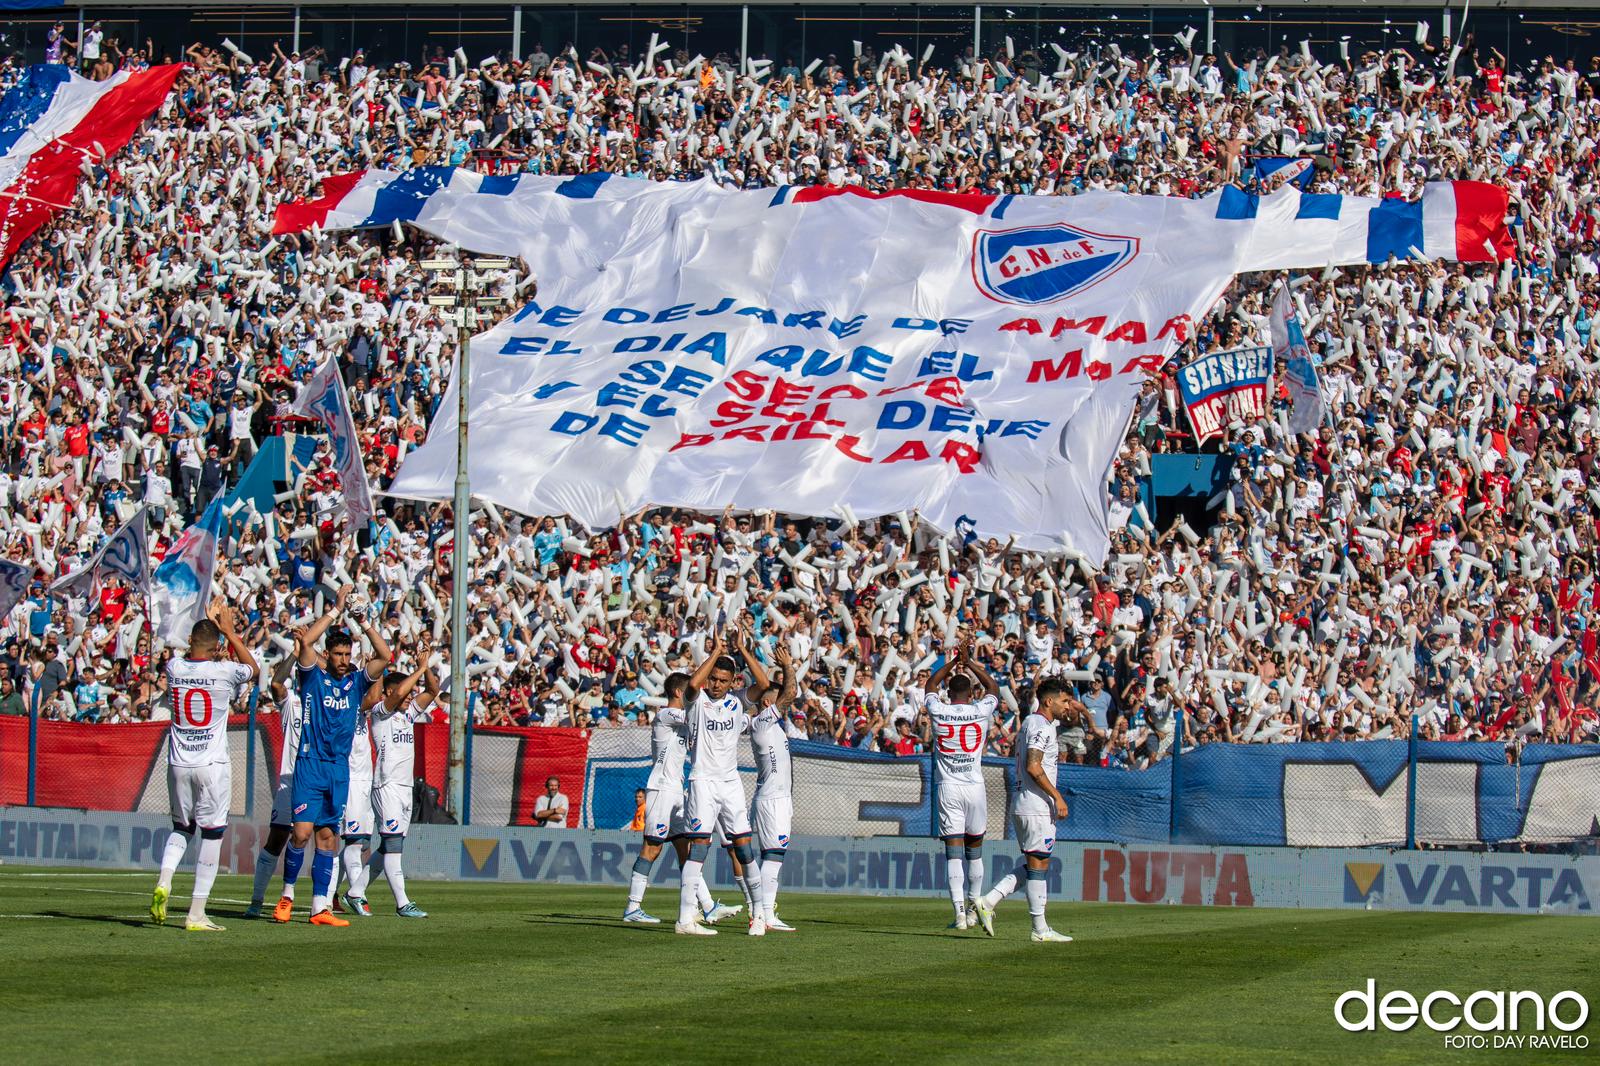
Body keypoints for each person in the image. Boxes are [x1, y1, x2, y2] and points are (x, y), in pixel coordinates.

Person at [273, 584, 390, 926]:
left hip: (338, 769)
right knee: (301, 834)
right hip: (309, 765)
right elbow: (306, 644)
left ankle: (319, 908)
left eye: (346, 655)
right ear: (329, 655)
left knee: (328, 837)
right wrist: (336, 610)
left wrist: (363, 621)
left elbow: (384, 657)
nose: (342, 661)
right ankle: (287, 895)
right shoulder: (313, 679)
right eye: (337, 655)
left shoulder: (355, 683)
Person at [149, 602, 259, 931]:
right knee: (212, 835)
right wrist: (229, 629)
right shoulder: (224, 670)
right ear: (217, 647)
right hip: (211, 763)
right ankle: (196, 912)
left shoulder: (174, 668)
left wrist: (212, 631)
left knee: (182, 828)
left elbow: (195, 651)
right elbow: (253, 669)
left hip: (178, 762)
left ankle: (164, 880)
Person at [621, 670, 742, 927]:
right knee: (652, 847)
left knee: (686, 851)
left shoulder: (683, 718)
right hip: (661, 789)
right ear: (679, 692)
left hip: (677, 791)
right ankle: (633, 906)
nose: (694, 694)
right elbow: (697, 714)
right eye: (690, 690)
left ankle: (708, 907)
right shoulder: (666, 715)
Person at [676, 625, 769, 937]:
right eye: (713, 679)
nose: (715, 684)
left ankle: (759, 914)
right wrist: (715, 651)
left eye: (722, 681)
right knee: (699, 846)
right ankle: (685, 919)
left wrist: (741, 649)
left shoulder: (737, 702)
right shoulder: (697, 701)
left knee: (743, 848)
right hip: (702, 781)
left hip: (730, 784)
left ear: (733, 683)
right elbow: (692, 684)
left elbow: (765, 684)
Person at [973, 678, 1075, 943]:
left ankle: (989, 901)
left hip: (1025, 802)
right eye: (1064, 701)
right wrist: (1058, 797)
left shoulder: (1032, 722)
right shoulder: (1042, 726)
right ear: (1049, 701)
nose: (1067, 706)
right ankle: (1039, 930)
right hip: (1036, 804)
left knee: (1035, 864)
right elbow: (1033, 765)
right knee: (1038, 866)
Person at [923, 635, 999, 931]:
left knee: (953, 852)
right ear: (971, 693)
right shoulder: (980, 710)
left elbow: (930, 685)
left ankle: (958, 914)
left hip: (948, 786)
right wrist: (970, 663)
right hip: (974, 786)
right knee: (975, 849)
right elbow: (993, 688)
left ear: (949, 693)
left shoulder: (938, 711)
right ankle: (973, 906)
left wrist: (953, 662)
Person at [361, 634, 440, 918]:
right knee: (393, 845)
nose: (409, 698)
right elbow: (395, 696)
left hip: (405, 787)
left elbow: (432, 690)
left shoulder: (407, 715)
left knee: (390, 845)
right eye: (405, 694)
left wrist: (425, 666)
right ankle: (402, 902)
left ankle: (356, 891)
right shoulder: (380, 713)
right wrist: (417, 670)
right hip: (387, 785)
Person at [245, 656, 304, 918]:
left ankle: (318, 903)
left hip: (318, 780)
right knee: (276, 840)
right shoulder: (293, 703)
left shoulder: (329, 704)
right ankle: (256, 900)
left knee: (325, 839)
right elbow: (277, 684)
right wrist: (294, 653)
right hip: (290, 781)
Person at [748, 641, 802, 931]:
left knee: (772, 855)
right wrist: (787, 666)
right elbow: (791, 692)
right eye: (778, 699)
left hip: (777, 798)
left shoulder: (770, 725)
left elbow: (790, 693)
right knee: (773, 856)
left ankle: (764, 912)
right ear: (769, 704)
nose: (785, 701)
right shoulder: (762, 723)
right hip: (772, 799)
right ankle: (764, 914)